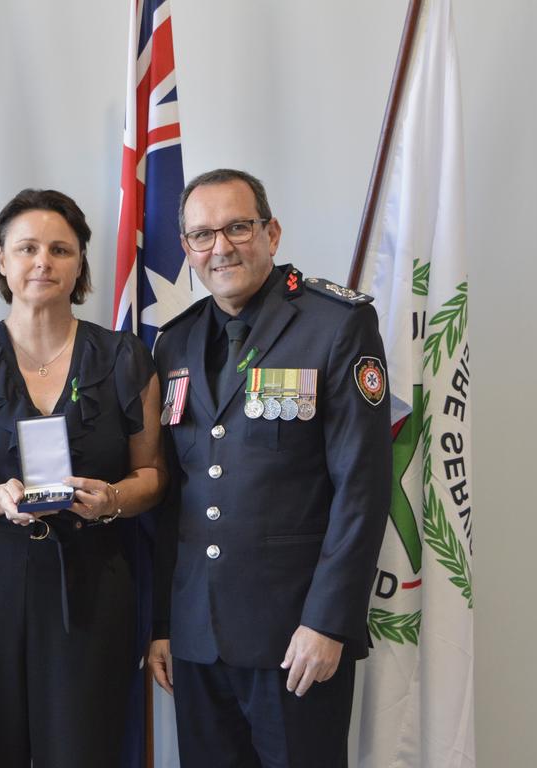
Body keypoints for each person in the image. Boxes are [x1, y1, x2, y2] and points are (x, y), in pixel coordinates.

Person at [148, 168, 391, 768]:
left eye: (237, 227)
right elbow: (172, 496)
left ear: (272, 232)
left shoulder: (335, 324)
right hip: (198, 638)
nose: (221, 247)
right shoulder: (174, 343)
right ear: (187, 249)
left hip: (296, 638)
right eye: (202, 235)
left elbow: (361, 487)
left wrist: (328, 623)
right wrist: (163, 623)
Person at [0, 188, 166, 768]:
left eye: (60, 249)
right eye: (26, 248)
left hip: (92, 583)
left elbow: (152, 476)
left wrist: (111, 499)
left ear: (80, 263)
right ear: (2, 259)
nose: (43, 262)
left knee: (84, 751)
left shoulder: (126, 357)